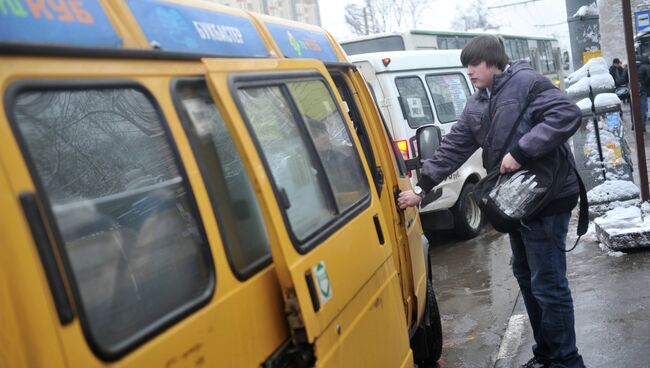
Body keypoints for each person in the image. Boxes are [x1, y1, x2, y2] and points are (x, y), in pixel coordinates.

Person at [398, 35, 585, 368]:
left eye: (474, 64)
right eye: (466, 66)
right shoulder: (478, 102)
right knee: (527, 277)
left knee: (548, 282)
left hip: (548, 196)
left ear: (493, 61)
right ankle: (547, 355)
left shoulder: (526, 83)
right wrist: (421, 188)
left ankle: (565, 361)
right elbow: (453, 147)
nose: (469, 71)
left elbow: (567, 114)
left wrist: (521, 150)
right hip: (515, 200)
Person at [635, 54, 650, 131]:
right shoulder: (645, 67)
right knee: (643, 109)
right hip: (643, 89)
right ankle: (642, 126)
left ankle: (635, 126)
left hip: (634, 91)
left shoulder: (631, 68)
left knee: (634, 109)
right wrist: (645, 83)